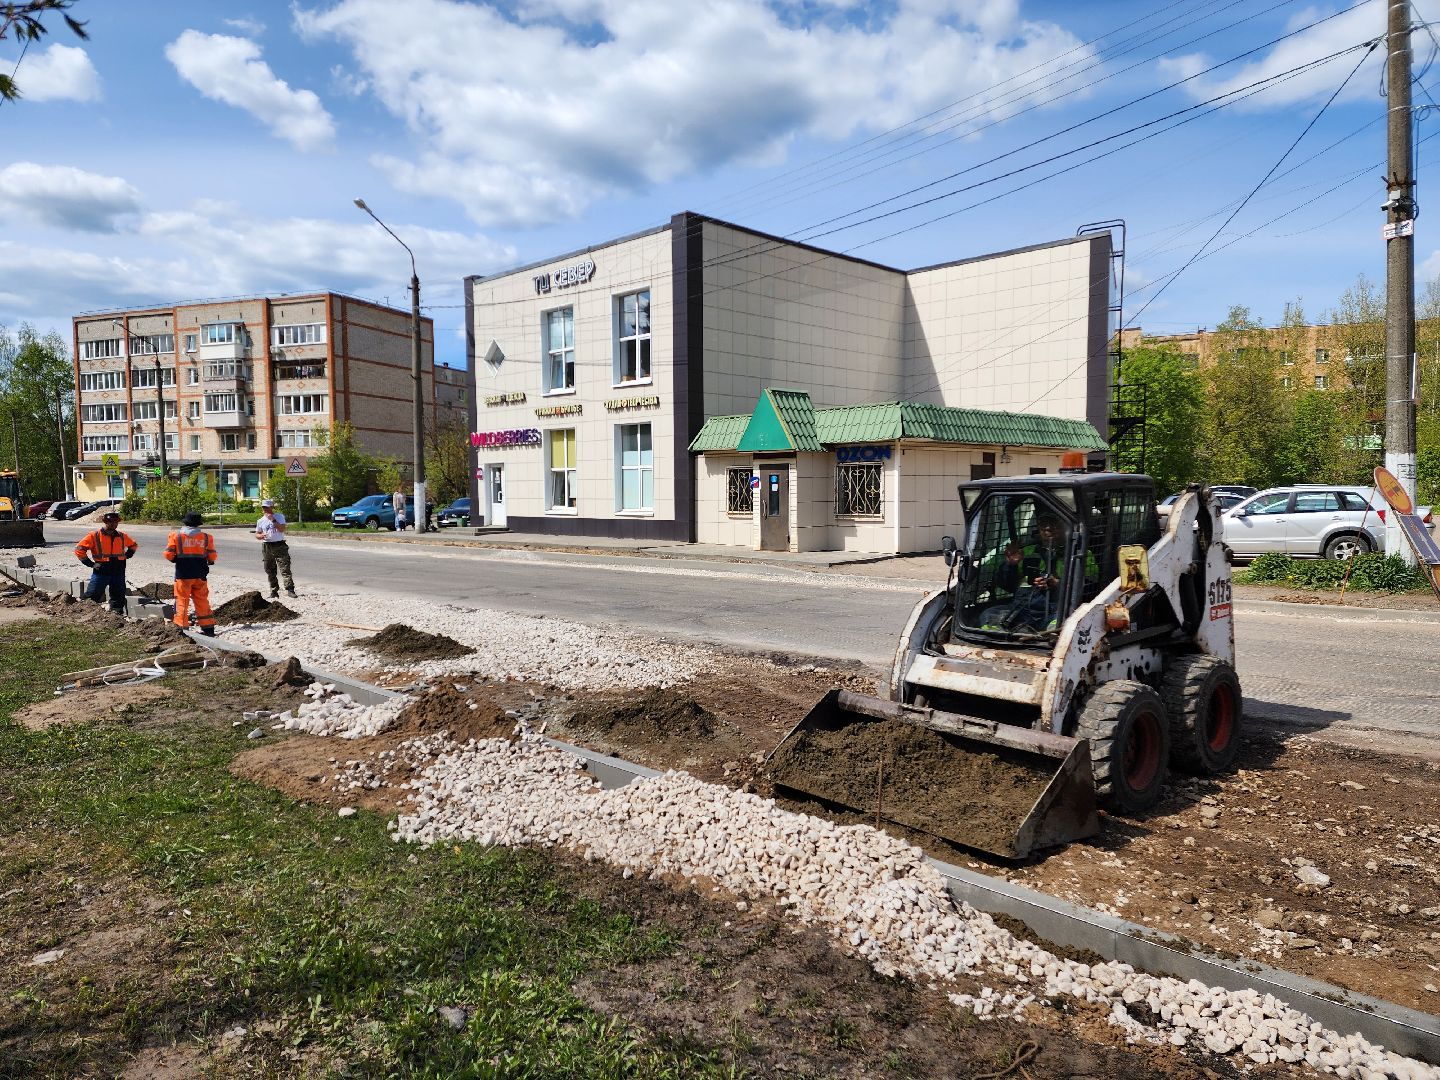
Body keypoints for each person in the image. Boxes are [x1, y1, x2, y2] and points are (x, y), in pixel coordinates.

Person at [74, 510, 137, 614]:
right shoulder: (94, 536)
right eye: (111, 522)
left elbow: (133, 545)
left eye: (116, 522)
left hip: (118, 569)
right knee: (93, 594)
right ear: (105, 522)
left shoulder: (122, 535)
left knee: (118, 595)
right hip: (102, 569)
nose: (114, 524)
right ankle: (84, 613)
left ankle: (116, 615)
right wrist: (90, 564)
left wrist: (128, 554)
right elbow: (79, 549)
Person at [165, 511, 218, 635]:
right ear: (198, 524)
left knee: (182, 601)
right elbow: (212, 556)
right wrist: (209, 560)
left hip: (183, 574)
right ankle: (208, 628)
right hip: (200, 574)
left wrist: (174, 559)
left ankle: (181, 628)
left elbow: (168, 554)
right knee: (202, 601)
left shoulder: (176, 536)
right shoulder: (206, 537)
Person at [254, 498, 297, 599]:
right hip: (267, 546)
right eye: (263, 507)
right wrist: (260, 536)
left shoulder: (279, 517)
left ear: (272, 507)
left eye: (267, 507)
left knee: (285, 567)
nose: (265, 509)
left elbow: (281, 529)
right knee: (269, 569)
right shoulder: (260, 521)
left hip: (279, 545)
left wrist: (272, 520)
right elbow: (257, 533)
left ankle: (290, 589)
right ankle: (274, 591)